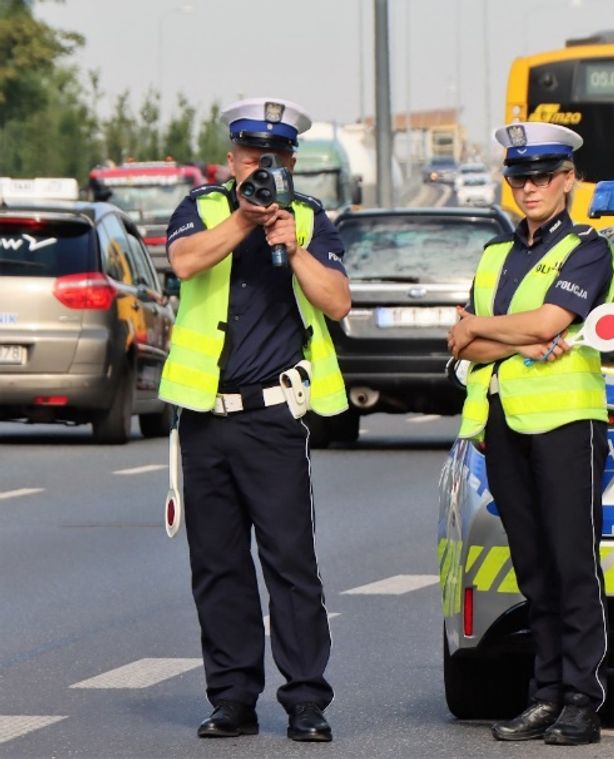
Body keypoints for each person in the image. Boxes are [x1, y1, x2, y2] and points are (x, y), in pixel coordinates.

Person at [158, 97, 351, 742]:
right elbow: (184, 263)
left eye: (273, 160)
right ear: (231, 161)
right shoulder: (203, 208)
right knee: (217, 566)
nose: (260, 170)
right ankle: (233, 697)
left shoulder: (309, 220)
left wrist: (293, 249)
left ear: (292, 163)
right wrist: (244, 220)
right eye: (249, 158)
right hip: (205, 421)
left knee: (291, 562)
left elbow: (338, 301)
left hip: (271, 417)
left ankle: (305, 701)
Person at [447, 121, 614, 746]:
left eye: (543, 176)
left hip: (565, 425)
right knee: (534, 569)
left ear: (568, 179)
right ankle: (544, 695)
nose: (530, 187)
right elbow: (462, 336)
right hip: (499, 420)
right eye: (520, 176)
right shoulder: (495, 255)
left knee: (573, 565)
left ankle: (581, 698)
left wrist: (492, 330)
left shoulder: (587, 249)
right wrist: (512, 335)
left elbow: (550, 319)